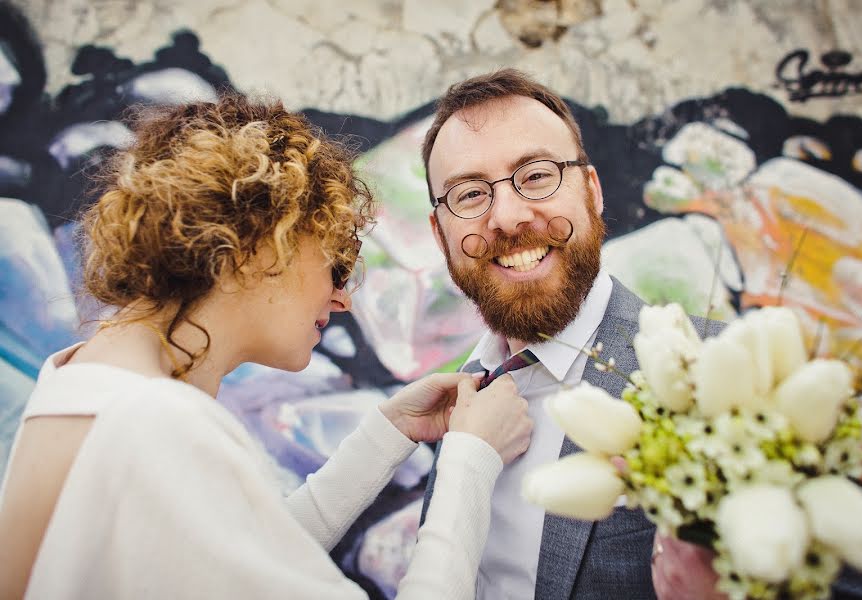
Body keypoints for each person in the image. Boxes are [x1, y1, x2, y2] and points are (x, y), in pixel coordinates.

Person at [0, 95, 534, 599]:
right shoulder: (155, 421)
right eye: (336, 262)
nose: (343, 297)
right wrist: (471, 461)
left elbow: (244, 560)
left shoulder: (80, 385)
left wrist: (386, 435)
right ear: (260, 241)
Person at [418, 68, 862, 600]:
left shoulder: (725, 368)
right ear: (440, 233)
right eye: (470, 193)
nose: (506, 215)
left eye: (537, 174)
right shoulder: (458, 397)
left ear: (591, 191)